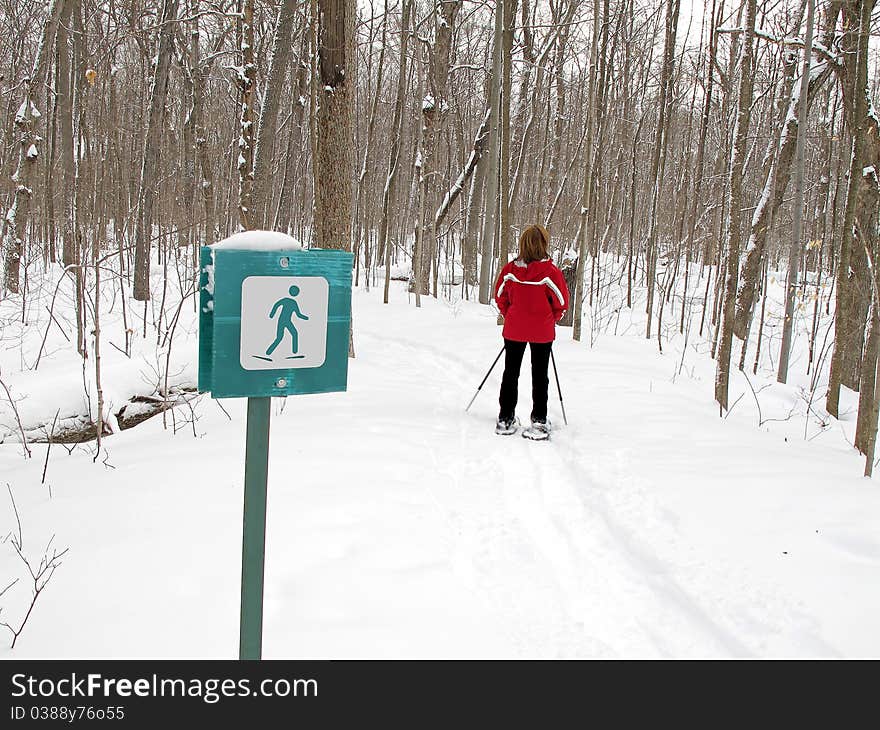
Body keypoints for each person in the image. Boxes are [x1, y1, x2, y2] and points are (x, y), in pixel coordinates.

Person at [493, 224, 570, 440]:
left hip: (515, 329)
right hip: (541, 332)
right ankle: (538, 421)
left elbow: (500, 296)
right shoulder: (551, 272)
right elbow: (562, 302)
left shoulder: (510, 270)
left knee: (511, 373)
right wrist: (550, 319)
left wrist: (510, 314)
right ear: (543, 244)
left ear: (523, 244)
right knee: (540, 375)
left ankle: (505, 419)